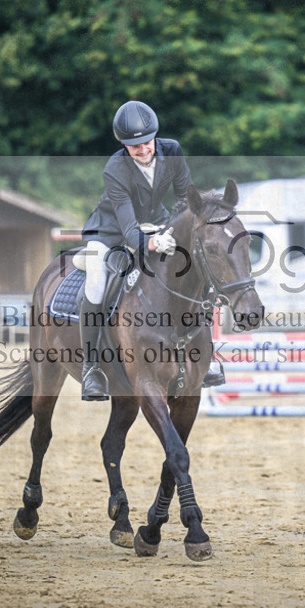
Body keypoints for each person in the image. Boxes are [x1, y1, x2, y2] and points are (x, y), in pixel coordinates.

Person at [78, 100, 193, 401]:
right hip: (110, 231)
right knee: (95, 284)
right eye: (134, 147)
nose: (143, 151)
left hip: (156, 221)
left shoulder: (173, 151)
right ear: (123, 146)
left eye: (146, 143)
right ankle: (91, 369)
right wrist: (154, 243)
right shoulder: (115, 169)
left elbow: (185, 200)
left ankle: (201, 354)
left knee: (191, 269)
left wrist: (178, 230)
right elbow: (128, 229)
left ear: (155, 135)